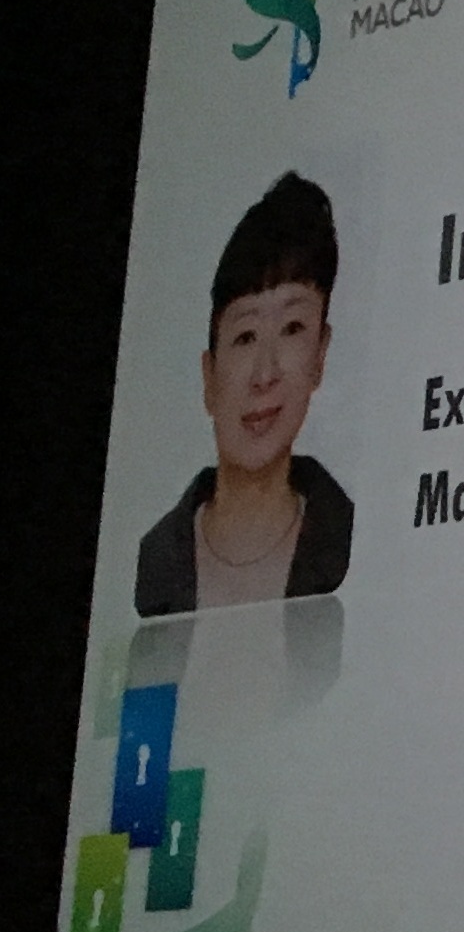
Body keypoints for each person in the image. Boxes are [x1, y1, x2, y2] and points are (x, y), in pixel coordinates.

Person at [134, 172, 355, 616]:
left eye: (292, 328)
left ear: (320, 355)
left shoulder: (351, 540)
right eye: (246, 336)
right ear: (209, 374)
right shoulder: (154, 562)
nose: (264, 374)